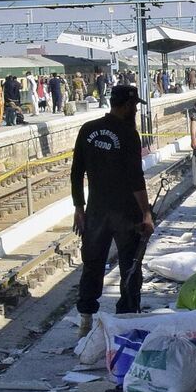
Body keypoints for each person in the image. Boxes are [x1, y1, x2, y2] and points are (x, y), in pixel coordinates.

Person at [70, 84, 152, 336]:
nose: (136, 110)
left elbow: (76, 172)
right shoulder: (128, 134)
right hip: (125, 212)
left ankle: (85, 319)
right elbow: (135, 178)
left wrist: (79, 207)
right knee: (130, 264)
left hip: (96, 210)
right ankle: (126, 318)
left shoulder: (88, 130)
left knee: (93, 264)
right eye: (135, 106)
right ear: (127, 105)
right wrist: (146, 212)